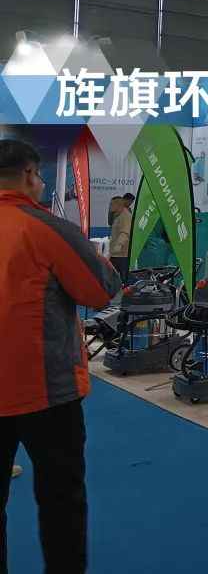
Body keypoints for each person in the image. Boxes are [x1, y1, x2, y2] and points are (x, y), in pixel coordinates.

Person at [0, 139, 122, 573]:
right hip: (45, 391)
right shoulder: (45, 228)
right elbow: (101, 288)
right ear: (30, 176)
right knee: (60, 502)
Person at [108, 195, 132, 281]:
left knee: (122, 278)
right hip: (115, 254)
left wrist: (118, 246)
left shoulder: (126, 216)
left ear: (118, 205)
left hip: (122, 255)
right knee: (111, 277)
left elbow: (125, 233)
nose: (110, 206)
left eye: (112, 204)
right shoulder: (118, 216)